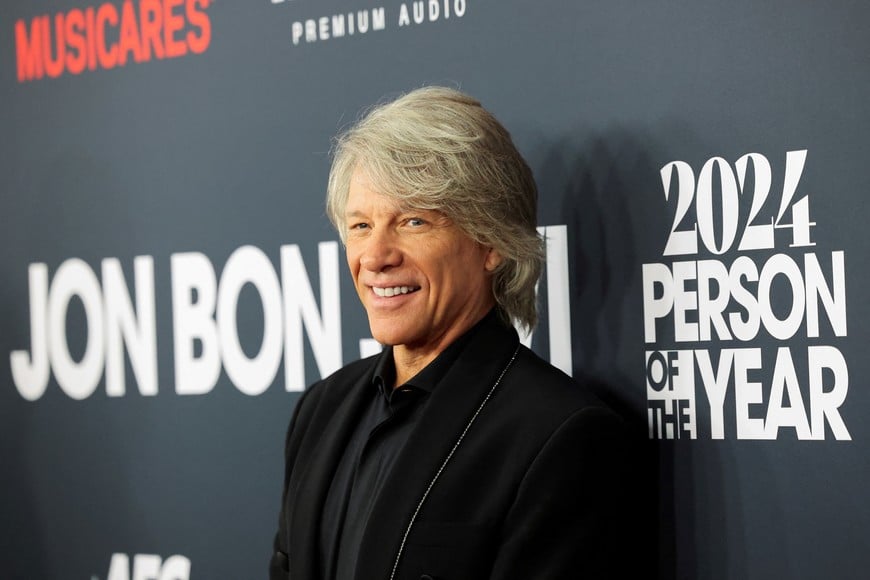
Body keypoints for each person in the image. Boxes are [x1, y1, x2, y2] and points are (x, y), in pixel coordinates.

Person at [269, 86, 631, 580]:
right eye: (359, 226)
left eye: (413, 221)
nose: (375, 257)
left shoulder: (559, 435)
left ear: (492, 243)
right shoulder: (320, 410)